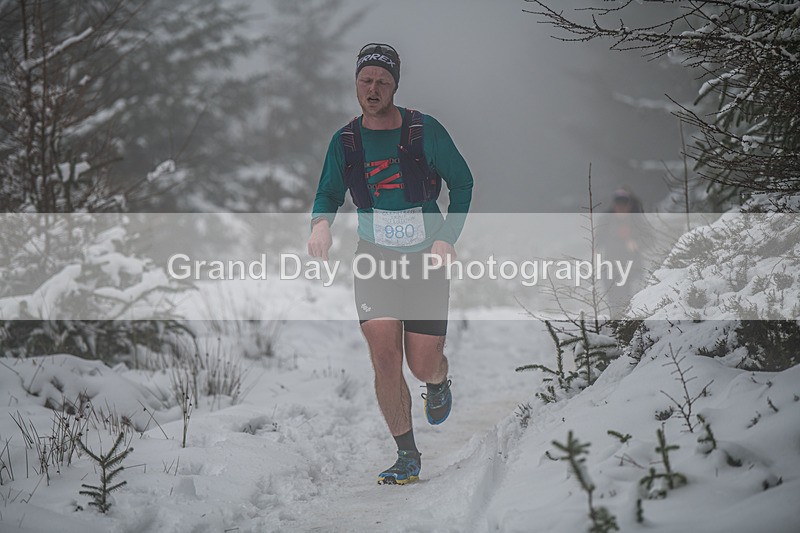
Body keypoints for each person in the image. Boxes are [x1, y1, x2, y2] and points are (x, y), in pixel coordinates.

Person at [307, 43, 473, 485]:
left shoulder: (424, 131)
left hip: (425, 262)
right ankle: (407, 455)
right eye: (366, 81)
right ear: (356, 85)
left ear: (395, 85)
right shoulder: (345, 141)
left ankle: (438, 380)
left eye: (382, 81)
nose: (373, 89)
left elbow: (462, 183)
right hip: (374, 258)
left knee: (421, 363)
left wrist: (446, 238)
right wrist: (320, 225)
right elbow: (327, 193)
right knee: (384, 357)